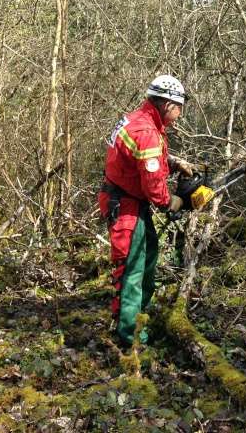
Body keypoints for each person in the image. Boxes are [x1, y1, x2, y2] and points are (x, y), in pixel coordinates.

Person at [98, 75, 197, 345]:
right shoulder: (146, 131)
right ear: (167, 104)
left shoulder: (139, 119)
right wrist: (170, 202)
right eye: (178, 109)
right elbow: (153, 184)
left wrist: (174, 162)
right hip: (126, 206)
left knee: (148, 256)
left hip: (130, 201)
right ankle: (129, 337)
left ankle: (138, 317)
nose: (179, 116)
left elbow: (142, 159)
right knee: (132, 269)